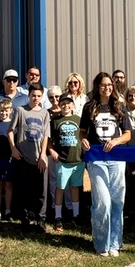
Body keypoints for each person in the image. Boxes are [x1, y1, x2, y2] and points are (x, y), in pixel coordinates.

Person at [80, 72, 132, 256]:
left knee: (117, 200)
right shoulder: (88, 107)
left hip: (117, 160)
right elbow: (82, 131)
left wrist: (117, 141)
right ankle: (101, 243)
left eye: (109, 84)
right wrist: (83, 140)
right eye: (103, 85)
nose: (107, 88)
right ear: (97, 87)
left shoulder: (119, 107)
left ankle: (115, 243)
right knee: (102, 201)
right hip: (96, 160)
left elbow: (128, 134)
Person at [9, 84, 51, 229]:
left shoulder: (45, 113)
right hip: (23, 157)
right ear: (29, 95)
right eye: (33, 95)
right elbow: (10, 131)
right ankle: (25, 217)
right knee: (24, 189)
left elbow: (46, 136)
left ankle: (41, 218)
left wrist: (43, 155)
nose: (36, 98)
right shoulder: (21, 111)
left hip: (38, 157)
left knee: (41, 190)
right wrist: (13, 148)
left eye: (39, 96)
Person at [49, 95, 84, 231]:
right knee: (60, 188)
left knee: (75, 188)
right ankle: (58, 216)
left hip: (77, 159)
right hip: (62, 160)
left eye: (68, 103)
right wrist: (52, 151)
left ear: (73, 105)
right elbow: (48, 140)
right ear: (59, 105)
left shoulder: (78, 120)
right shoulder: (55, 121)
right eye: (62, 103)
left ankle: (76, 215)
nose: (65, 106)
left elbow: (84, 137)